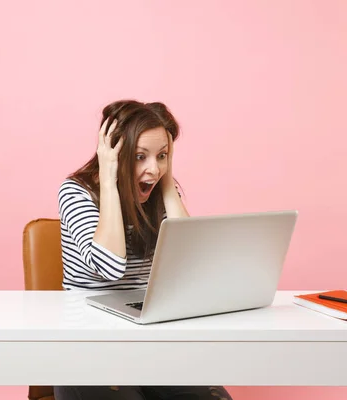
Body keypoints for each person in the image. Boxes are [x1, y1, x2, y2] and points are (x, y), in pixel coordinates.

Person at [55, 100, 233, 400]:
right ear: (113, 155)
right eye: (140, 157)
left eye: (162, 155)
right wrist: (110, 181)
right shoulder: (76, 193)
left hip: (151, 346)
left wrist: (165, 181)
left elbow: (189, 262)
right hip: (88, 347)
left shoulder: (161, 189)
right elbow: (110, 267)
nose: (153, 168)